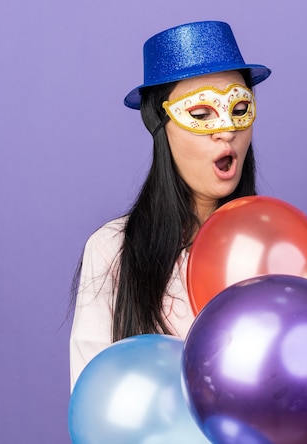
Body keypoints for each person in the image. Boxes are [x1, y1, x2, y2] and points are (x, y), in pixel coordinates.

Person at [69, 21, 271, 391]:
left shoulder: (276, 244)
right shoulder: (112, 250)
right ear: (159, 124)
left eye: (239, 107)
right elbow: (93, 397)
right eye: (200, 114)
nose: (225, 130)